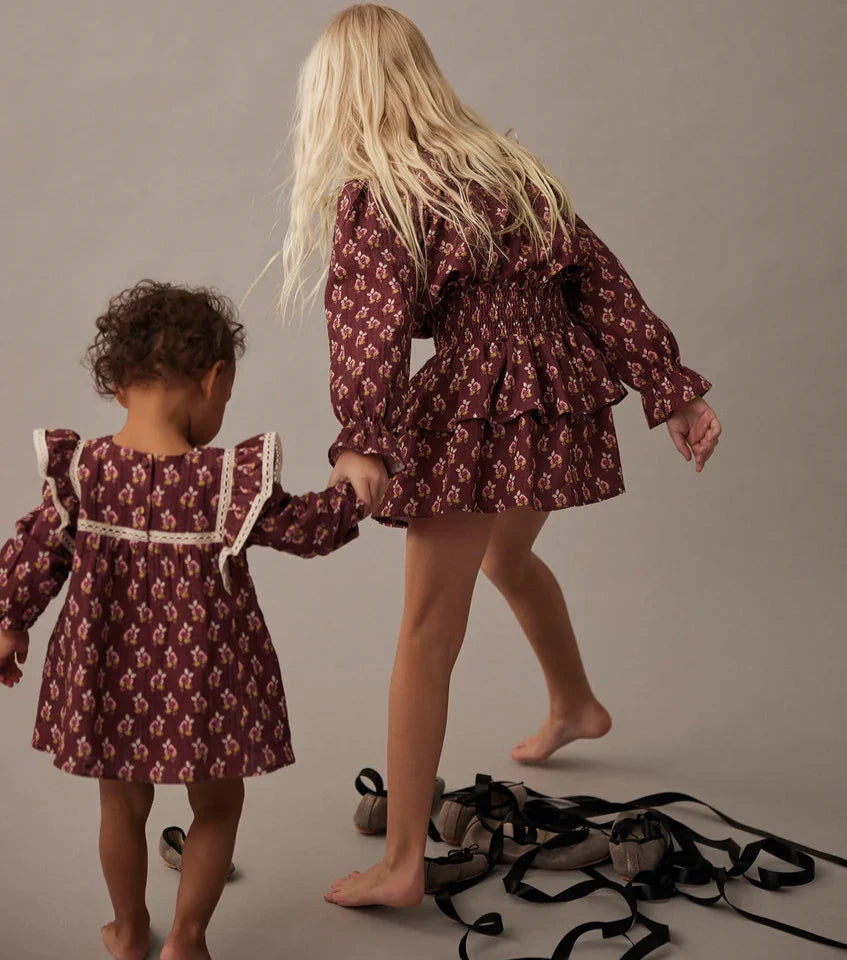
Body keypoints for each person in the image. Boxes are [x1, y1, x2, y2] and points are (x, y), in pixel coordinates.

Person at [279, 4, 722, 909]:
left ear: (340, 95)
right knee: (506, 555)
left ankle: (403, 861)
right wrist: (669, 387)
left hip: (485, 407)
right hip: (558, 393)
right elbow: (602, 281)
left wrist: (363, 436)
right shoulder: (513, 169)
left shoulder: (385, 192)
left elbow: (367, 330)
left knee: (426, 634)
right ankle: (576, 705)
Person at [0, 281, 360, 960]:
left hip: (110, 669)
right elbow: (308, 529)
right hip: (207, 678)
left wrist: (8, 623)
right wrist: (354, 490)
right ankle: (188, 939)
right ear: (212, 378)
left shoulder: (85, 471)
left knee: (121, 809)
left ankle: (130, 930)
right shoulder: (224, 481)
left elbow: (35, 550)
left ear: (118, 388)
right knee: (217, 808)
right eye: (224, 395)